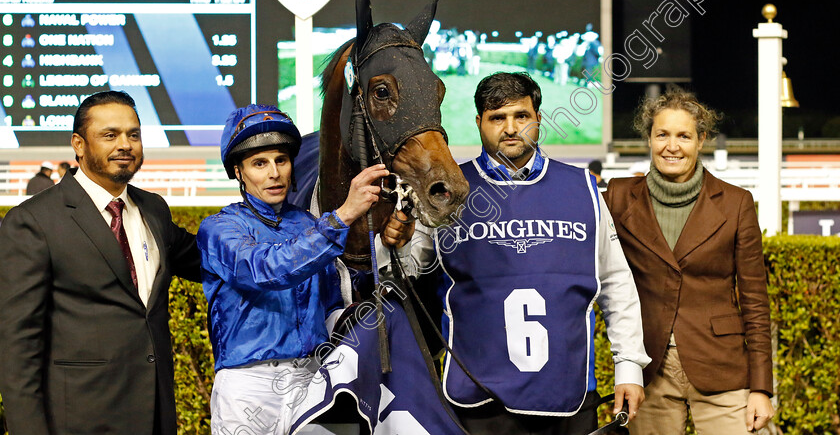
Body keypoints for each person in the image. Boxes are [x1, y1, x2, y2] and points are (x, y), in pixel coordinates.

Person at [432, 72, 649, 434]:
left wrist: (629, 366)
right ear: (478, 123)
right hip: (477, 398)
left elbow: (615, 282)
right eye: (497, 118)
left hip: (568, 394)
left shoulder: (583, 188)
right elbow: (413, 269)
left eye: (521, 116)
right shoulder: (448, 192)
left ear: (539, 120)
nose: (510, 128)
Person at [0, 90, 200, 435]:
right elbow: (18, 348)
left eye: (133, 134)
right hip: (79, 421)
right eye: (110, 135)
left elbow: (211, 261)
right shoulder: (33, 221)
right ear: (79, 144)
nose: (125, 145)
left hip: (156, 416)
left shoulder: (153, 209)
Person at [197, 104, 398, 435]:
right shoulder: (219, 228)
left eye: (281, 160)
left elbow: (334, 302)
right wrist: (345, 214)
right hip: (248, 387)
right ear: (238, 172)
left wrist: (391, 243)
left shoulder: (307, 223)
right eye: (259, 163)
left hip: (312, 379)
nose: (274, 173)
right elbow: (266, 270)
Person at [603, 90, 774, 434]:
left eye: (684, 136)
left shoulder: (736, 203)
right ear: (649, 138)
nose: (672, 146)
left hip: (722, 367)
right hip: (649, 372)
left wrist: (761, 388)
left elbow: (755, 303)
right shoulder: (617, 198)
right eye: (662, 134)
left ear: (701, 140)